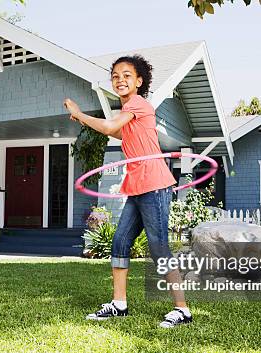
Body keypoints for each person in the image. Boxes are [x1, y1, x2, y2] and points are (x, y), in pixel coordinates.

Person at [63, 54, 191, 328]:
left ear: (139, 81)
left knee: (159, 248)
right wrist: (85, 121)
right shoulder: (129, 113)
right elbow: (118, 133)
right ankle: (119, 304)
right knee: (120, 242)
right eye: (116, 76)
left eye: (127, 75)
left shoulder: (138, 103)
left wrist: (78, 114)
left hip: (154, 184)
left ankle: (182, 310)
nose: (120, 80)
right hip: (136, 186)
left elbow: (109, 127)